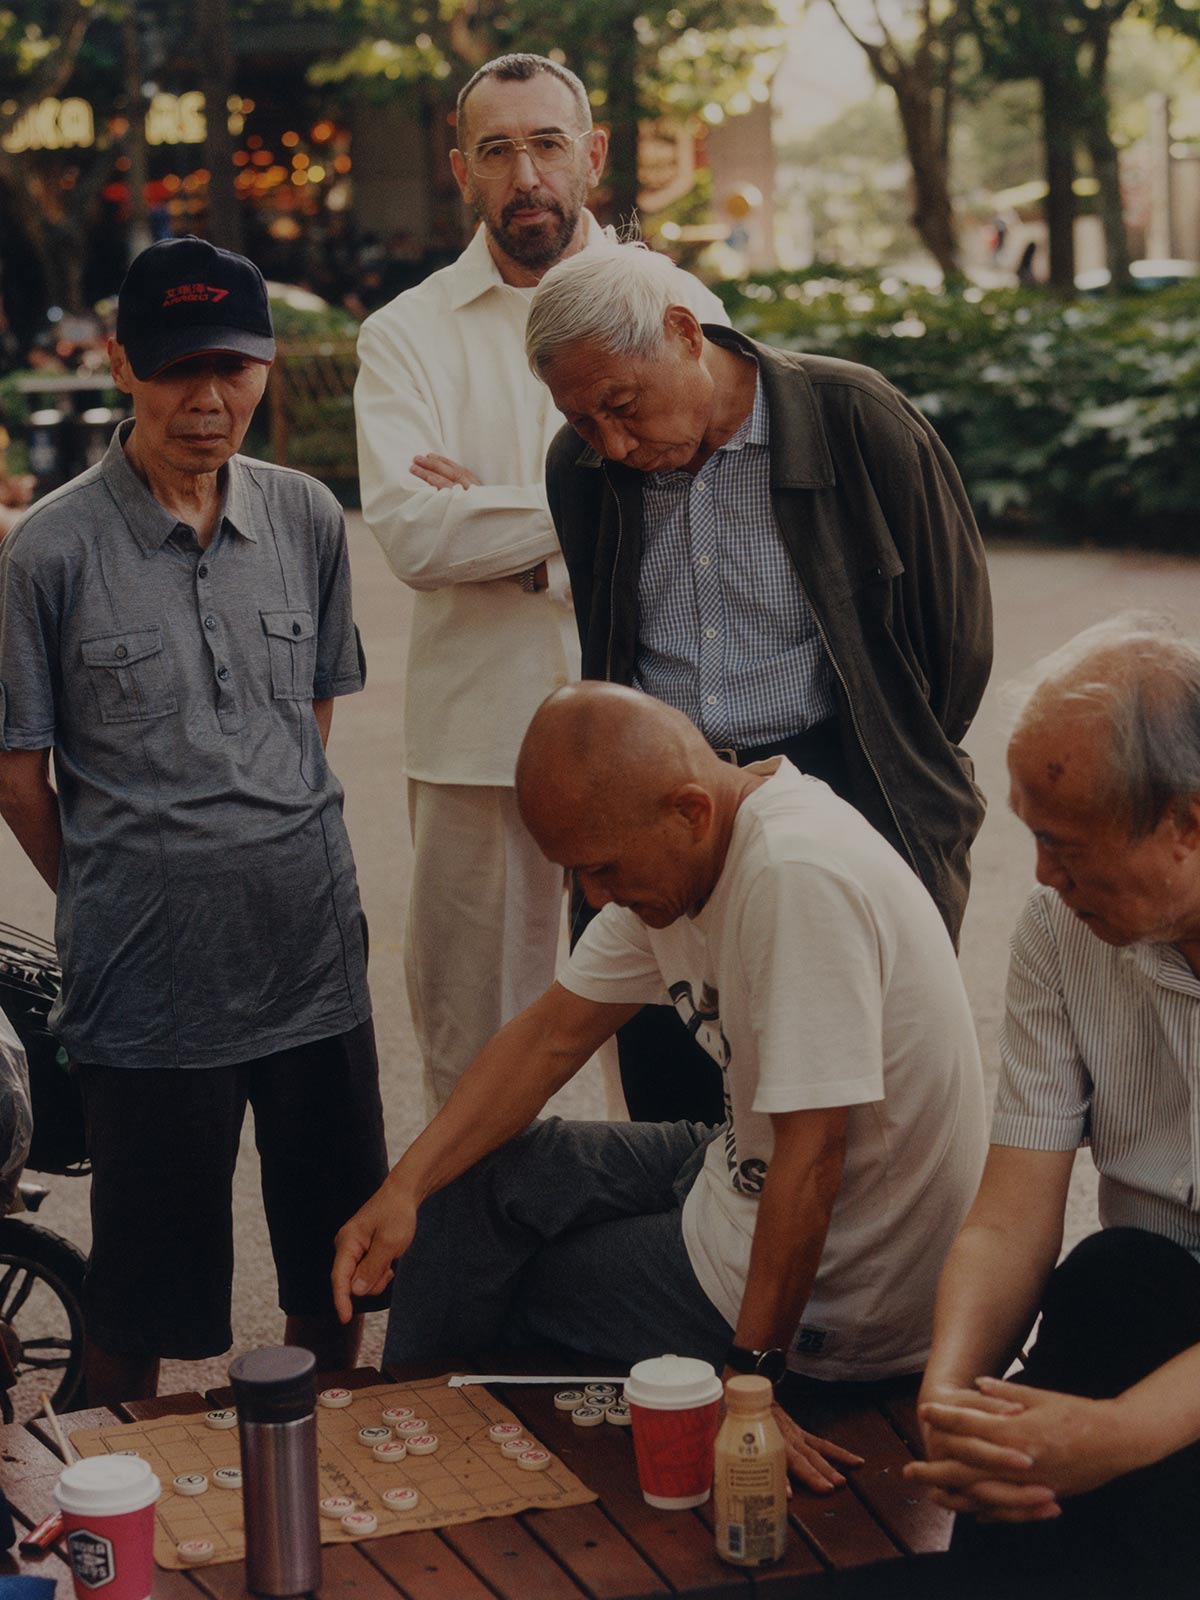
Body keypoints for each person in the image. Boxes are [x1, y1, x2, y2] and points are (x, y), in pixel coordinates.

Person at [333, 683, 987, 1487]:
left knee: (498, 1278)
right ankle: (404, 1429)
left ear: (690, 811)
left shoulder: (794, 877)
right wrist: (401, 1190)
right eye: (578, 874)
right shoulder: (697, 845)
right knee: (462, 1184)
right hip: (740, 1169)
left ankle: (414, 1470)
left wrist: (750, 1381)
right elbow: (548, 1038)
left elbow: (814, 1159)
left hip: (843, 1295)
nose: (595, 897)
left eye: (602, 868)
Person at [0, 235, 388, 1407]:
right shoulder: (50, 549)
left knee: (335, 1265)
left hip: (313, 957)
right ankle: (123, 1501)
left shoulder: (307, 516)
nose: (209, 399)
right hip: (148, 980)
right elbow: (18, 776)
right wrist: (120, 886)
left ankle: (322, 1473)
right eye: (178, 368)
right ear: (123, 365)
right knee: (140, 1302)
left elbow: (308, 714)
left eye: (233, 367)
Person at [526, 242, 992, 1119]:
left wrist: (900, 751)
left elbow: (954, 643)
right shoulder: (580, 469)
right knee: (677, 1097)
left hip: (843, 784)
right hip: (662, 805)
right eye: (583, 421)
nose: (613, 443)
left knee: (849, 1103)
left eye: (622, 406)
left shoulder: (854, 417)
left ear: (684, 332)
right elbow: (611, 644)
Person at [353, 53, 727, 1115]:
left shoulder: (682, 304)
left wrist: (502, 519)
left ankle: (674, 1226)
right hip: (481, 743)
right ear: (460, 168)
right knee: (479, 1045)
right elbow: (416, 537)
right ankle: (491, 1231)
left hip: (667, 731)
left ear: (592, 154)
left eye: (548, 145)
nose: (526, 176)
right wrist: (610, 492)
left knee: (688, 1039)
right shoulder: (406, 334)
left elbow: (713, 495)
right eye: (497, 150)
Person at [905, 622, 1200, 1597]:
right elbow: (1010, 1215)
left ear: (1187, 826)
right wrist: (952, 1394)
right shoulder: (1060, 929)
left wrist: (1117, 1436)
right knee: (1114, 1279)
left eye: (1062, 844)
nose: (1039, 875)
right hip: (1145, 1306)